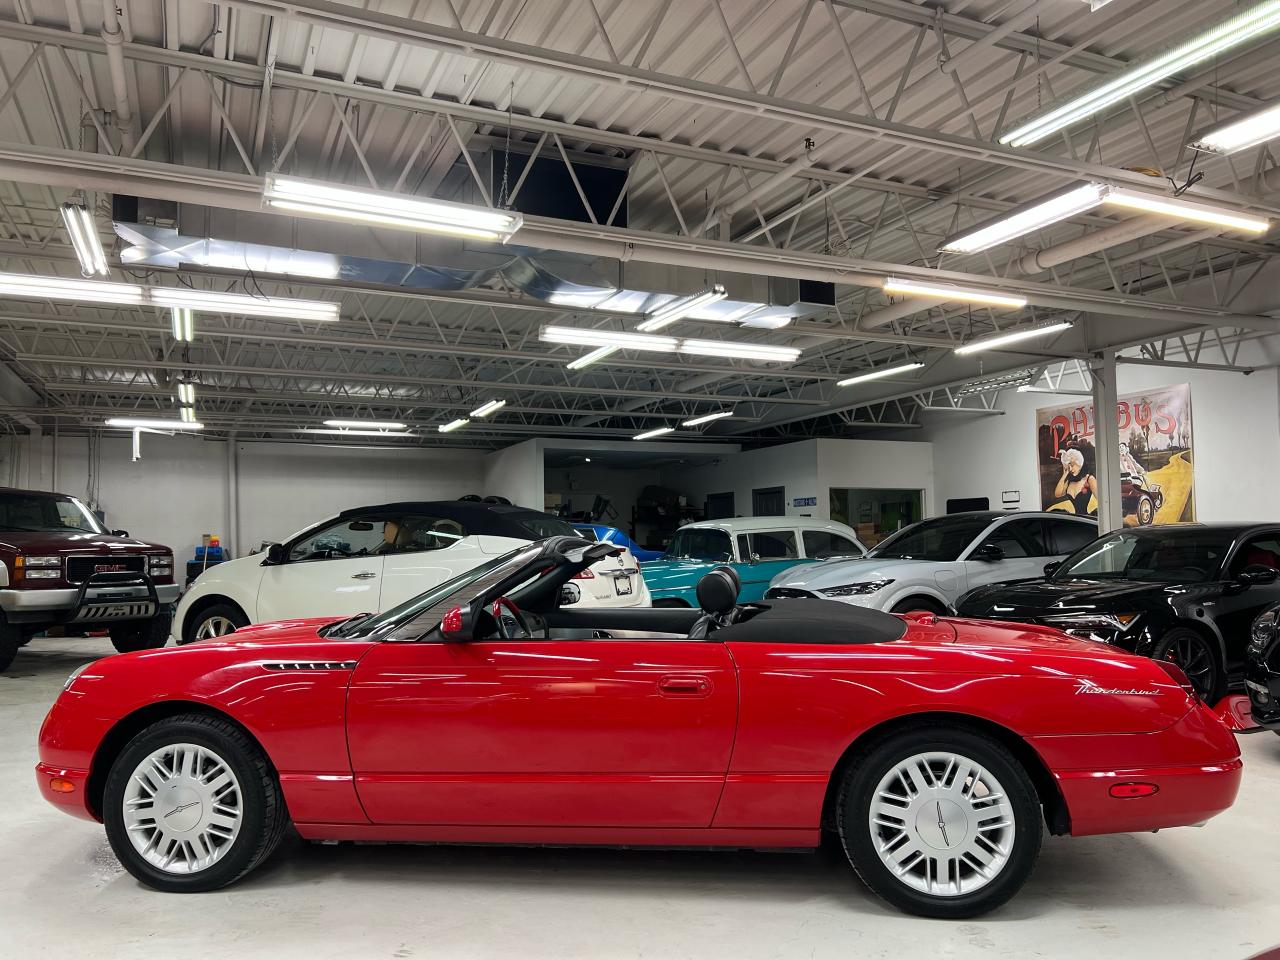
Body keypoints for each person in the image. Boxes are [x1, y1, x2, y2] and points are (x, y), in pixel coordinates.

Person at [1049, 448, 1097, 516]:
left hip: (1086, 519)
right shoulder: (1069, 482)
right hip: (1075, 519)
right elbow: (1057, 494)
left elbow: (1102, 499)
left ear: (1079, 463)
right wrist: (1064, 475)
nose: (1070, 469)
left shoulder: (1089, 479)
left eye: (1072, 465)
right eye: (1068, 466)